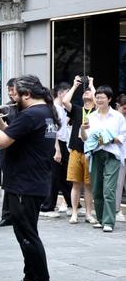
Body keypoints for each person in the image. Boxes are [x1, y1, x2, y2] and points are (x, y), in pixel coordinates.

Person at [0, 74, 58, 281]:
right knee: (24, 231)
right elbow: (12, 134)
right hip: (31, 181)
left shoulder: (32, 113)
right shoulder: (43, 112)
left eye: (15, 94)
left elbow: (1, 141)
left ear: (27, 94)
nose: (12, 98)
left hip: (25, 183)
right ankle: (30, 278)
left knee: (28, 234)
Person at [81, 85, 126, 233]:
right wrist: (82, 129)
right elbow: (84, 138)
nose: (99, 100)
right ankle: (100, 219)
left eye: (102, 97)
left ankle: (108, 221)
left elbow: (123, 136)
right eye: (97, 97)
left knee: (109, 189)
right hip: (96, 154)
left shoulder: (118, 117)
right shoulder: (91, 116)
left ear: (110, 99)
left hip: (112, 154)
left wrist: (111, 140)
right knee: (97, 188)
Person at [62, 76, 96, 224]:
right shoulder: (77, 109)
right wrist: (75, 86)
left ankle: (89, 214)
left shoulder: (96, 111)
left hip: (90, 151)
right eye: (86, 91)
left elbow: (98, 99)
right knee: (76, 184)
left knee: (88, 185)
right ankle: (74, 213)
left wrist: (92, 84)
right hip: (75, 150)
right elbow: (65, 101)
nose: (87, 92)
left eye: (90, 92)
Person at [39, 83, 73, 218]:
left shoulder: (61, 109)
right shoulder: (54, 108)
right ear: (60, 93)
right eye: (67, 92)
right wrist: (57, 149)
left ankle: (72, 204)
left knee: (64, 176)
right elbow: (52, 131)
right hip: (55, 144)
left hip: (62, 144)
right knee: (54, 176)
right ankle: (48, 206)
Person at [0, 78, 20, 228]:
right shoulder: (6, 107)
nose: (10, 93)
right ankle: (7, 215)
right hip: (8, 148)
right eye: (9, 90)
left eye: (13, 90)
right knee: (8, 182)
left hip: (23, 149)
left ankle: (17, 214)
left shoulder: (27, 107)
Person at [115, 94, 126, 223]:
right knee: (118, 183)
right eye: (124, 108)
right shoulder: (114, 118)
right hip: (119, 154)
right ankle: (116, 210)